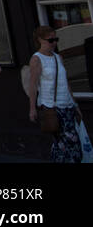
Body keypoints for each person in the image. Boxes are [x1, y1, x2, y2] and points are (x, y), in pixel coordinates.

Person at [27, 27, 83, 162]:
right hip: (52, 107)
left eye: (56, 39)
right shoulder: (37, 59)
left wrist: (75, 105)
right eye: (50, 40)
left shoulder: (58, 57)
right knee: (66, 142)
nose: (54, 43)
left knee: (69, 143)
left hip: (67, 104)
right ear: (40, 40)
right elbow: (33, 85)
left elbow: (66, 83)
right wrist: (32, 108)